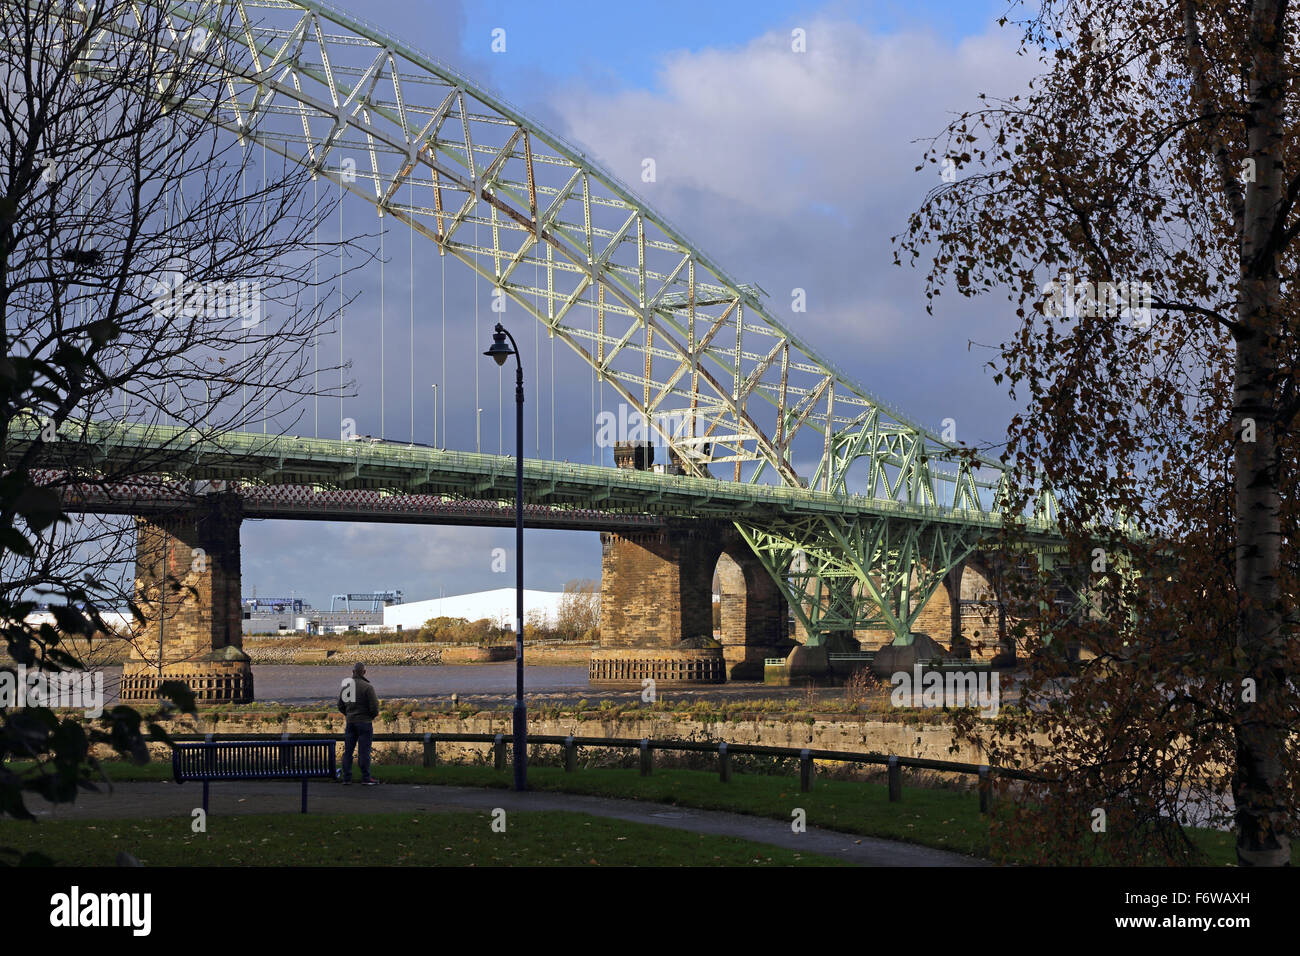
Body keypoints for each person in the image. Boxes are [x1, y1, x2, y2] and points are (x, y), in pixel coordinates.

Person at [337, 662, 380, 785]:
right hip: (364, 723)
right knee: (364, 751)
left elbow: (340, 705)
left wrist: (349, 714)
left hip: (350, 722)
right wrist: (370, 716)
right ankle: (366, 777)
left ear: (353, 672)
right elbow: (374, 707)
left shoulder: (347, 687)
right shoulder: (367, 687)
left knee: (348, 751)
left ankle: (347, 778)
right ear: (364, 672)